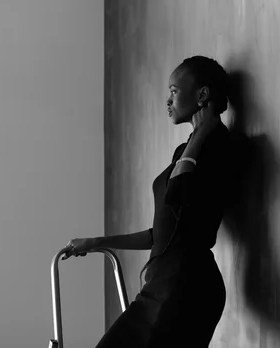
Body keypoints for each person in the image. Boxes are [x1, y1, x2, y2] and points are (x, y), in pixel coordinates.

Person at [63, 55, 233, 348]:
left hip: (187, 286)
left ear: (202, 95)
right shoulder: (186, 149)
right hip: (161, 285)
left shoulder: (217, 144)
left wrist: (202, 132)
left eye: (174, 91)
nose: (168, 100)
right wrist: (95, 241)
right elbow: (161, 233)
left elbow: (176, 192)